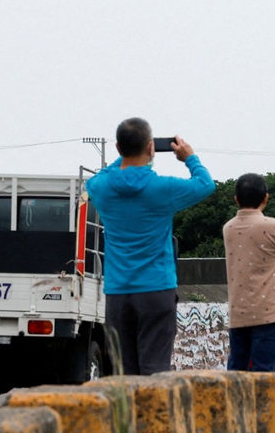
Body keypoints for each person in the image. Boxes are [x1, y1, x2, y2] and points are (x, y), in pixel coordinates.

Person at [85, 118, 215, 375]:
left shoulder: (101, 188)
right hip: (156, 289)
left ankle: (128, 417)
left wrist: (124, 157)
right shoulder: (163, 188)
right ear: (151, 147)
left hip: (118, 293)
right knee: (154, 369)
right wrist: (190, 158)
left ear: (118, 148)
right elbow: (205, 184)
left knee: (124, 373)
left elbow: (101, 176)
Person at [222, 172, 275, 372]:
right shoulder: (272, 226)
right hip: (266, 312)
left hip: (238, 310)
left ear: (236, 199)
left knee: (237, 368)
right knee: (263, 369)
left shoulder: (228, 228)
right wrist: (274, 267)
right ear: (266, 197)